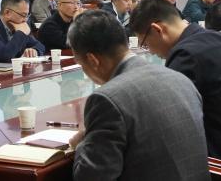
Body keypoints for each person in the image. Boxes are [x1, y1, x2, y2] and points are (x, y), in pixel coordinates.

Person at [68, 10, 210, 181]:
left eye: (80, 64)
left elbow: (91, 177)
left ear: (93, 60)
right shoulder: (179, 78)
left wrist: (82, 144)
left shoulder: (107, 99)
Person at [130, 0, 221, 165]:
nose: (151, 52)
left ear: (158, 30)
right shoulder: (217, 38)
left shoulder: (186, 56)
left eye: (146, 44)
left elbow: (172, 123)